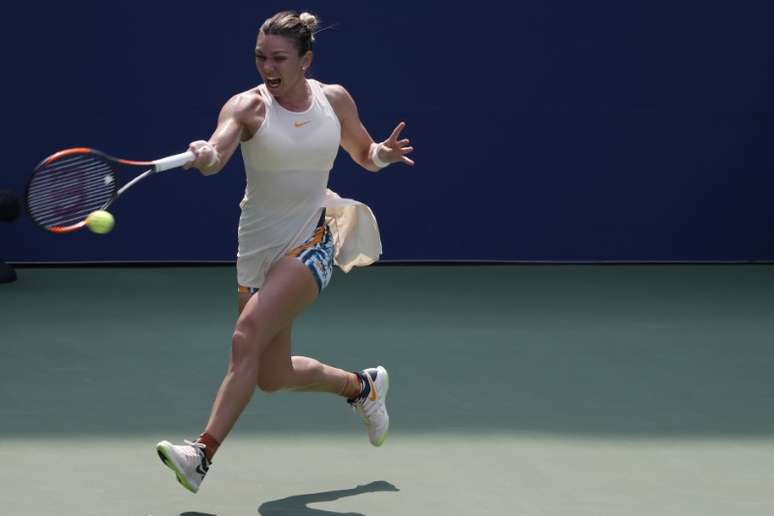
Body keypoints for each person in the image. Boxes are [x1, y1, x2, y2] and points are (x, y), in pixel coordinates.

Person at [155, 10, 414, 494]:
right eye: (260, 57)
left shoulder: (332, 100)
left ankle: (202, 453)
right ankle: (362, 387)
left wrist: (384, 153)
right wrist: (206, 155)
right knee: (271, 375)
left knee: (244, 337)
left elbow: (364, 154)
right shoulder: (246, 107)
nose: (267, 67)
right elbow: (217, 153)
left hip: (312, 239)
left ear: (306, 60)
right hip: (256, 249)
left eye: (278, 58)